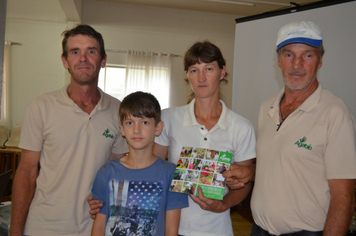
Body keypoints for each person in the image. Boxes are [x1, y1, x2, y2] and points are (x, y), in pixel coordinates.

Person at [9, 24, 128, 236]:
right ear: (65, 61)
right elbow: (26, 172)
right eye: (75, 52)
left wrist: (108, 200)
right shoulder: (41, 106)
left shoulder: (118, 110)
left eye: (91, 51)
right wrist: (15, 229)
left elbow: (118, 172)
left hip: (94, 228)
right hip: (42, 227)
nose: (83, 58)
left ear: (103, 60)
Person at [248, 21, 356, 236]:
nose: (297, 64)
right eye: (289, 55)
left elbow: (344, 197)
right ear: (278, 60)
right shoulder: (266, 108)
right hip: (259, 230)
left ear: (320, 61)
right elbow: (277, 166)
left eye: (307, 55)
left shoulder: (335, 113)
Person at [153, 41, 256, 235]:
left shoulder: (242, 127)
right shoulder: (168, 119)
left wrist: (224, 204)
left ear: (222, 72)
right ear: (187, 75)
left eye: (208, 69)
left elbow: (244, 183)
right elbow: (154, 171)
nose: (201, 77)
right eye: (194, 70)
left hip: (217, 229)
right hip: (172, 227)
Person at [91, 91, 188, 236]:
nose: (137, 130)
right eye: (130, 123)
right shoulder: (107, 171)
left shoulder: (172, 173)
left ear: (158, 128)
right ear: (122, 128)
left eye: (144, 122)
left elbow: (171, 230)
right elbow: (99, 227)